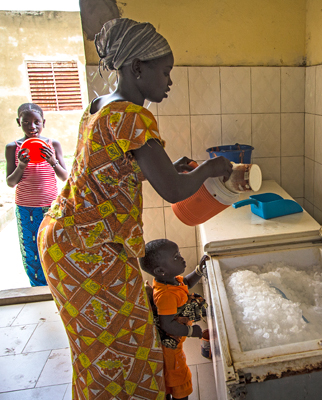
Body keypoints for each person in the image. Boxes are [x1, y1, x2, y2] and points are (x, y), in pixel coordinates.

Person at [37, 18, 232, 400]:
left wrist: (162, 167)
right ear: (137, 68)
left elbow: (108, 172)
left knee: (97, 348)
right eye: (165, 72)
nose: (170, 82)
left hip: (66, 240)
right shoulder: (132, 115)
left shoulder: (100, 106)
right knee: (126, 346)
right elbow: (174, 191)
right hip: (89, 249)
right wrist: (211, 168)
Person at [5, 103, 68, 286]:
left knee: (53, 245)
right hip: (26, 208)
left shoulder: (52, 144)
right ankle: (38, 286)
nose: (32, 127)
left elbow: (64, 176)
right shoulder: (13, 148)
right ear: (19, 122)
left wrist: (52, 161)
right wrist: (21, 165)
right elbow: (10, 182)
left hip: (51, 207)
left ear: (43, 123)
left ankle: (56, 285)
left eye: (36, 122)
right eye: (26, 122)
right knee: (31, 249)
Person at [139, 239, 208, 400]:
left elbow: (187, 283)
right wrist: (191, 331)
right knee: (178, 378)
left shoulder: (171, 281)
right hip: (170, 350)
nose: (182, 259)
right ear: (161, 270)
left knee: (170, 378)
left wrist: (198, 270)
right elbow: (167, 324)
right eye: (176, 257)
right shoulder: (166, 295)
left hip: (174, 346)